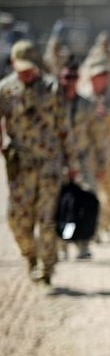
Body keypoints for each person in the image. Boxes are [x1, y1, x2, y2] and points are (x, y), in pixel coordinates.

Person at [0, 39, 76, 286]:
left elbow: (64, 128)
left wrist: (71, 162)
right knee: (17, 219)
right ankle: (30, 255)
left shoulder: (52, 88)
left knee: (46, 218)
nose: (25, 73)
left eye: (29, 68)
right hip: (20, 167)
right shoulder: (6, 90)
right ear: (13, 64)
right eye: (20, 68)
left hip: (49, 165)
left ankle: (46, 267)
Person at [58, 57, 99, 260]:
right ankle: (61, 244)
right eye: (66, 77)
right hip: (58, 163)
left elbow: (95, 135)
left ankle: (83, 243)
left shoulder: (86, 106)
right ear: (60, 78)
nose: (69, 81)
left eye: (73, 77)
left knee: (85, 202)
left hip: (83, 163)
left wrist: (100, 162)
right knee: (59, 204)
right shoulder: (53, 105)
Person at [83, 57, 110, 244]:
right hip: (89, 157)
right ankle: (95, 229)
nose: (99, 79)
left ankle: (105, 226)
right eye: (96, 76)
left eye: (103, 76)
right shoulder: (85, 101)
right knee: (92, 193)